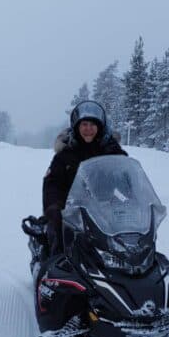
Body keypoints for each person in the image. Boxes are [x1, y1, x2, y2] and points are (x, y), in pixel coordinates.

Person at [42, 100, 127, 255]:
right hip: (72, 210)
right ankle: (55, 264)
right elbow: (52, 184)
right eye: (84, 124)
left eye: (93, 124)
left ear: (100, 126)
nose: (88, 129)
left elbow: (126, 178)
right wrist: (54, 206)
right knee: (60, 237)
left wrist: (128, 202)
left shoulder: (112, 150)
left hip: (105, 208)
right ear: (77, 126)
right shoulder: (66, 153)